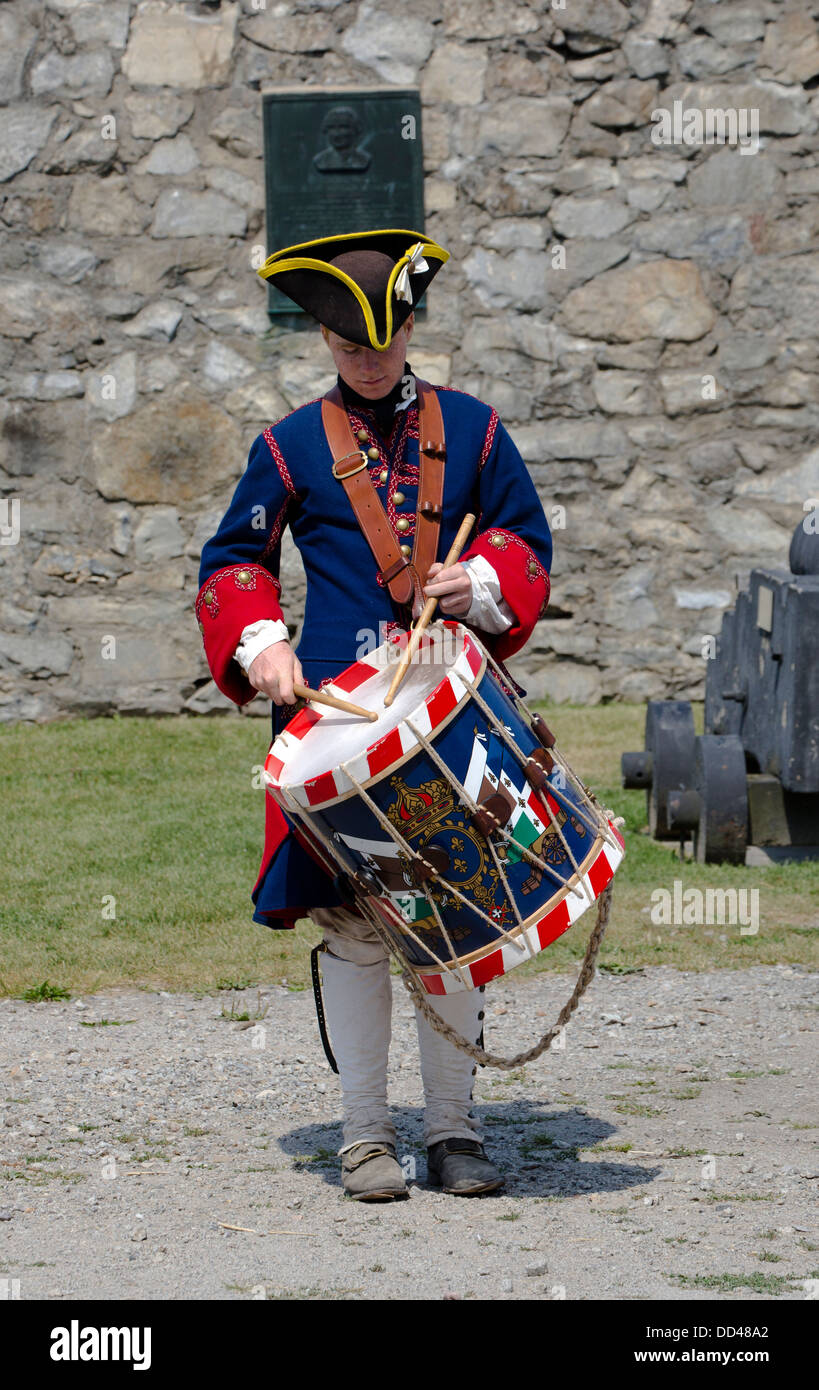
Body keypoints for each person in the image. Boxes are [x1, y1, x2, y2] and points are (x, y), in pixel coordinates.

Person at [197, 229, 553, 1200]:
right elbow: (233, 562)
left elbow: (528, 540)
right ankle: (363, 1137)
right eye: (351, 346)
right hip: (337, 718)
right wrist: (260, 641)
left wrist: (478, 579)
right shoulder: (288, 445)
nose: (369, 359)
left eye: (385, 342)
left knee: (452, 910)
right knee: (353, 918)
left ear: (409, 330)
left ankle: (454, 1131)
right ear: (322, 339)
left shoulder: (475, 431)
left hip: (450, 708)